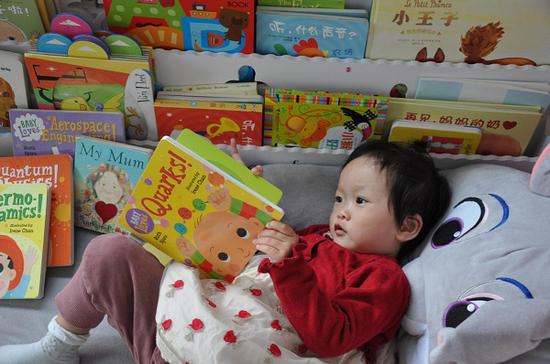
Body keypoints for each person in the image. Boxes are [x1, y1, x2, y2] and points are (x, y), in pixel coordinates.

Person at [0, 140, 450, 364]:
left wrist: (288, 265)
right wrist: (238, 198)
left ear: (407, 227)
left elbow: (331, 337)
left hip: (240, 353)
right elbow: (243, 255)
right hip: (187, 324)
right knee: (107, 252)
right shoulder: (314, 236)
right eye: (338, 198)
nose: (342, 212)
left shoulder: (385, 281)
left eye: (360, 201)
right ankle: (59, 344)